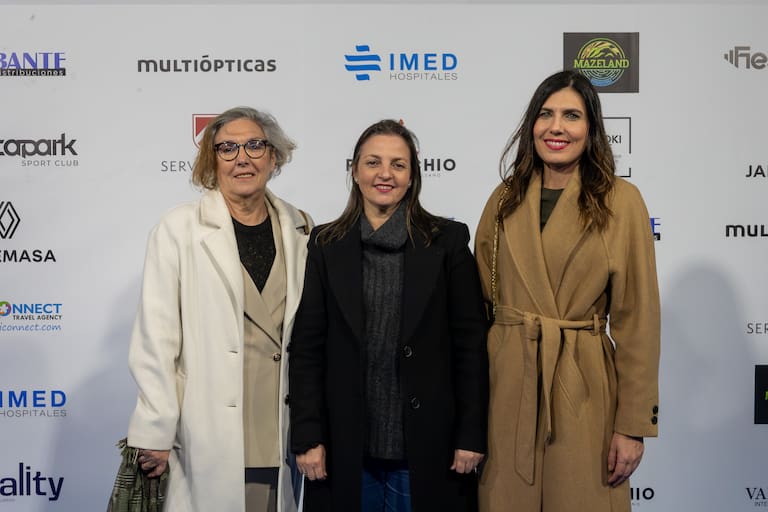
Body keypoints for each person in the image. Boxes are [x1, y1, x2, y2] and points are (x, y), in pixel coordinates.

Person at [474, 70, 660, 512]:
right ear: (531, 125)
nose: (556, 127)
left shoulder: (621, 201)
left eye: (571, 116)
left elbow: (638, 321)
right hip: (508, 386)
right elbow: (479, 302)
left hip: (584, 387)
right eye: (546, 114)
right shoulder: (504, 198)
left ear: (591, 128)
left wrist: (632, 425)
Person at [288, 119, 489, 512]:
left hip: (428, 447)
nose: (385, 174)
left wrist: (471, 434)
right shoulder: (325, 244)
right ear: (354, 171)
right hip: (344, 448)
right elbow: (308, 348)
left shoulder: (447, 242)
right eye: (373, 162)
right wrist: (308, 435)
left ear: (412, 176)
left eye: (398, 164)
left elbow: (470, 347)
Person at [126, 106, 313, 512]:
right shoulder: (178, 229)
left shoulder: (302, 226)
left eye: (254, 145)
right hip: (205, 430)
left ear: (274, 157)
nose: (242, 158)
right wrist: (155, 428)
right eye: (227, 148)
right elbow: (156, 340)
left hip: (278, 430)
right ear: (211, 161)